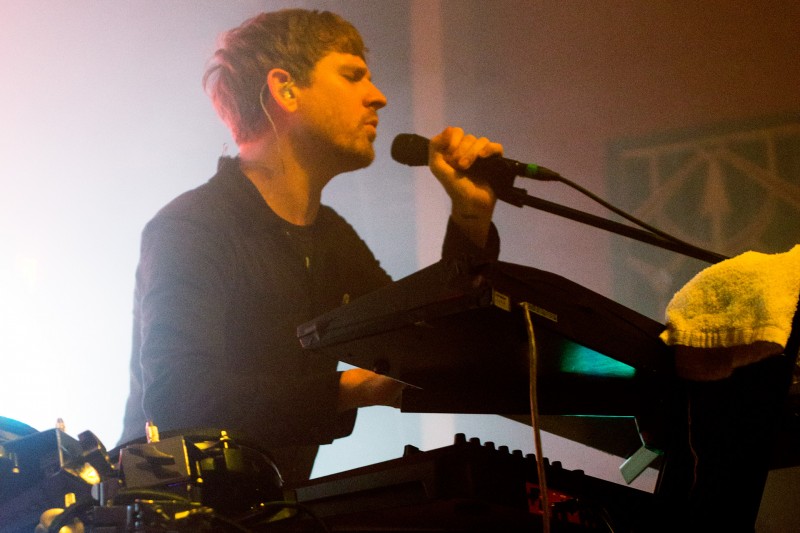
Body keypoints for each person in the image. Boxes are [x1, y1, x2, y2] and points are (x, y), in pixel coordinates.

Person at [119, 8, 503, 485]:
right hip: (172, 511)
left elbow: (424, 335)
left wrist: (470, 214)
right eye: (353, 75)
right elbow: (179, 397)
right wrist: (348, 389)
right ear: (286, 89)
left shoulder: (332, 238)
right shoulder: (193, 226)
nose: (378, 97)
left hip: (273, 509)